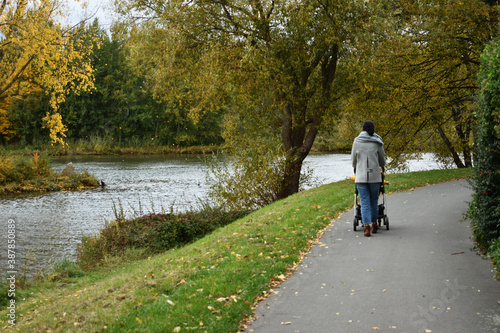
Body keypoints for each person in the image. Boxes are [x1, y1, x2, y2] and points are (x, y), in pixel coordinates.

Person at [351, 120, 386, 237]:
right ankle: (374, 223)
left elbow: (353, 160)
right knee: (374, 201)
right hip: (375, 176)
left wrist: (356, 166)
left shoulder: (356, 141)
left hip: (361, 176)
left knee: (364, 201)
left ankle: (366, 227)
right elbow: (382, 161)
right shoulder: (378, 142)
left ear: (362, 129)